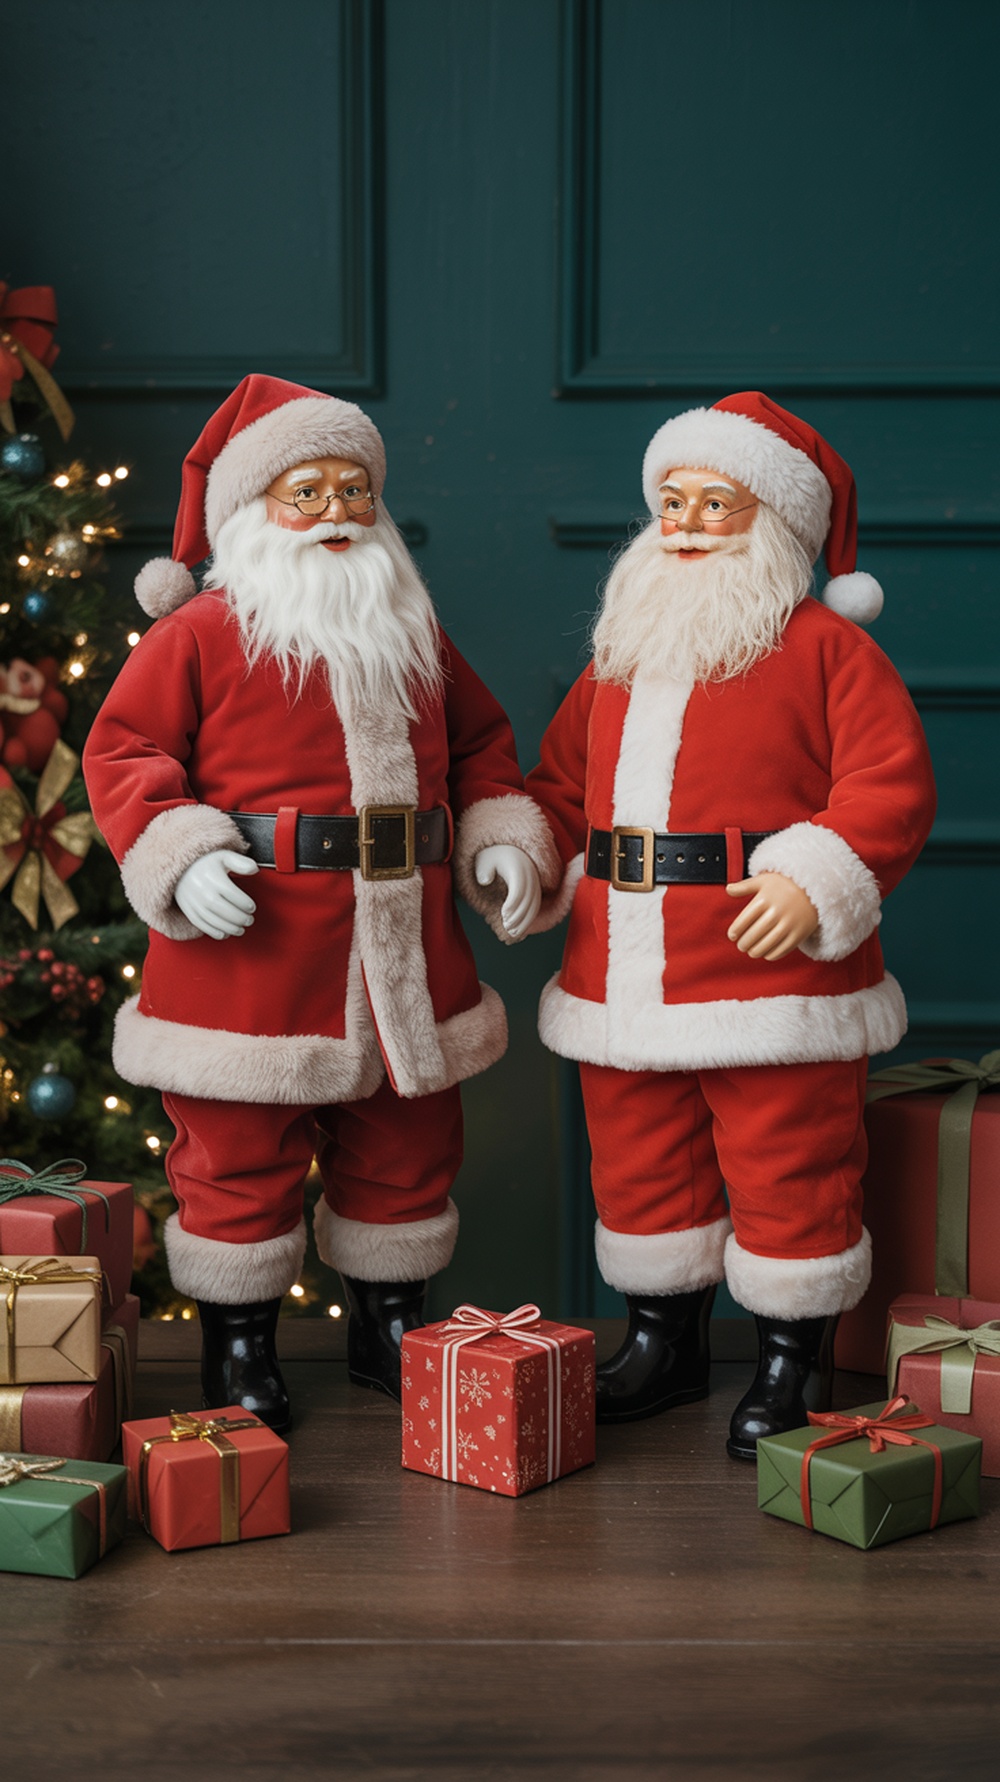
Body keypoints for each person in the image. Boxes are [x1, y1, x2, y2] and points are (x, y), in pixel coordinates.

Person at [84, 374, 558, 1432]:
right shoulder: (199, 633)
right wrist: (180, 852)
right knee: (236, 1152)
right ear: (255, 511)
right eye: (309, 491)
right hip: (252, 950)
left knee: (406, 1144)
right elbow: (124, 752)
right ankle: (239, 1344)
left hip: (405, 954)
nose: (339, 511)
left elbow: (482, 747)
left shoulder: (411, 631)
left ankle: (387, 1325)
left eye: (356, 490)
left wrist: (496, 836)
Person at [525, 391, 936, 1459]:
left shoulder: (827, 650)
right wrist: (521, 852)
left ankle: (791, 1359)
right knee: (640, 1163)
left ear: (777, 523)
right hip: (623, 970)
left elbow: (889, 786)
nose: (687, 524)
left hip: (772, 973)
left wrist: (813, 877)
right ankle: (663, 1342)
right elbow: (560, 786)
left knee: (788, 1160)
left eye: (717, 503)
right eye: (673, 502)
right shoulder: (620, 653)